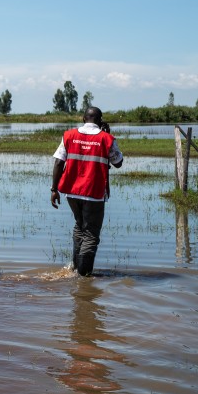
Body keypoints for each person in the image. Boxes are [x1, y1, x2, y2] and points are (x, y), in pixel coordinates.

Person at [50, 106, 124, 276]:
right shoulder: (107, 139)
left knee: (79, 226)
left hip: (71, 193)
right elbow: (118, 162)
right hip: (94, 193)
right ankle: (83, 276)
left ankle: (75, 268)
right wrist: (109, 134)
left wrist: (54, 190)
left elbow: (58, 163)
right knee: (91, 234)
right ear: (100, 121)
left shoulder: (69, 135)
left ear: (84, 119)